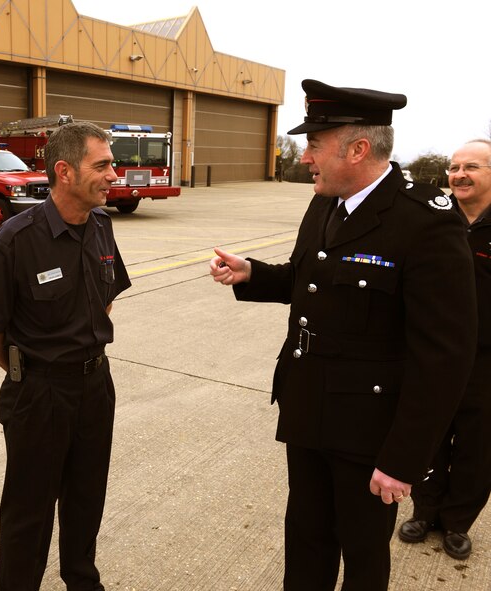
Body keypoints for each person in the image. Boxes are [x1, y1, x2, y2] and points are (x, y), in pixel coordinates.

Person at [209, 79, 477, 590]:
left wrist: (402, 460)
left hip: (369, 431)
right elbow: (308, 279)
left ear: (357, 149)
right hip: (309, 408)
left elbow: (444, 357)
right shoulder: (328, 201)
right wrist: (253, 274)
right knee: (305, 540)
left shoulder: (424, 221)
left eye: (314, 144)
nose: (306, 156)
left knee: (362, 553)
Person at [0, 121, 131, 591]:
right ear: (64, 171)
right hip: (39, 394)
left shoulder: (101, 225)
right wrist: (33, 371)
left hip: (95, 387)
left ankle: (82, 581)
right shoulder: (15, 240)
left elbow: (105, 297)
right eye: (102, 165)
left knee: (86, 500)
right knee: (29, 515)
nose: (113, 174)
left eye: (112, 163)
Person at [398, 139, 491, 559]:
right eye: (454, 167)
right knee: (429, 433)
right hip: (432, 353)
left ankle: (457, 522)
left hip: (486, 361)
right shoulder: (435, 218)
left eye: (471, 166)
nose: (459, 174)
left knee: (478, 445)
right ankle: (425, 510)